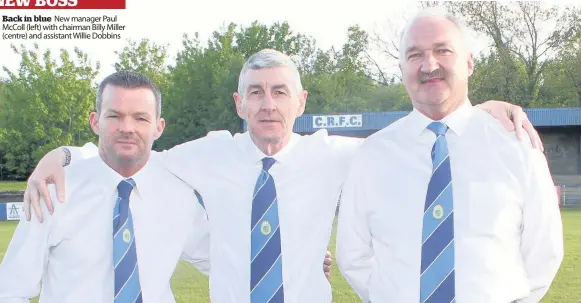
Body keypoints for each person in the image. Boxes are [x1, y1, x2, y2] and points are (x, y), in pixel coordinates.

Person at [22, 49, 541, 303]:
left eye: (279, 91)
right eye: (255, 92)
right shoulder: (206, 155)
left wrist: (479, 107)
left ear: (301, 101)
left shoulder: (339, 154)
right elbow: (127, 148)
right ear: (239, 103)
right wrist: (65, 153)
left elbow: (417, 133)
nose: (268, 103)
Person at [336, 8, 563, 303]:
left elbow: (544, 252)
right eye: (415, 55)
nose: (429, 65)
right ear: (402, 68)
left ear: (469, 62)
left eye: (443, 50)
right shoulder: (372, 155)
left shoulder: (517, 147)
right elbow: (354, 255)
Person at [0, 71, 211, 303]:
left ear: (158, 127)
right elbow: (11, 290)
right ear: (95, 122)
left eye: (141, 118)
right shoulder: (53, 192)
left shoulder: (179, 195)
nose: (127, 128)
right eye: (114, 116)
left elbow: (225, 262)